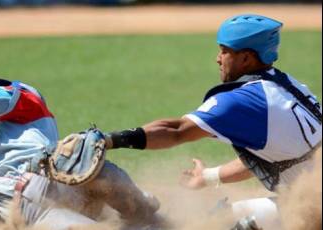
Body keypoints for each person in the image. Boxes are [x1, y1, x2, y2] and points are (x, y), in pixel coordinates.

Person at [101, 14, 322, 229]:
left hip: (314, 207)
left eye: (225, 51)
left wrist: (111, 140)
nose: (218, 58)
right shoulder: (288, 87)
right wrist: (207, 176)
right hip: (313, 202)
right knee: (224, 217)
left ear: (246, 58)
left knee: (226, 224)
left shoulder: (242, 100)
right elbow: (283, 157)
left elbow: (176, 131)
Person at [0, 74, 160, 229]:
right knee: (97, 175)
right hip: (39, 206)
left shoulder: (24, 103)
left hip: (39, 202)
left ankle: (145, 212)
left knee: (97, 173)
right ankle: (145, 211)